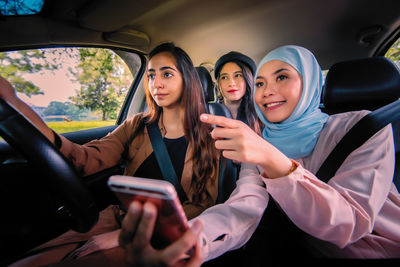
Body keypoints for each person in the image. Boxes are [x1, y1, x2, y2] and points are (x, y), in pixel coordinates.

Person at [120, 45, 400, 264]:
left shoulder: (364, 128)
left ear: (310, 83)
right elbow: (243, 208)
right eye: (262, 83)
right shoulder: (261, 142)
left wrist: (272, 158)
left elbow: (347, 225)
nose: (268, 92)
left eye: (282, 77)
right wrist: (189, 242)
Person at [0, 42, 224, 266]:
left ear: (187, 80)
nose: (157, 84)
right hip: (117, 217)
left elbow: (200, 207)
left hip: (163, 234)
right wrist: (15, 102)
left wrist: (124, 235)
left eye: (167, 74)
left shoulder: (209, 136)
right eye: (151, 75)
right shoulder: (137, 125)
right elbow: (82, 158)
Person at [214, 51, 262, 134]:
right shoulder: (207, 114)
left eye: (238, 75)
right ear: (219, 84)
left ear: (248, 80)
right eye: (224, 77)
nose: (231, 83)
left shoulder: (261, 114)